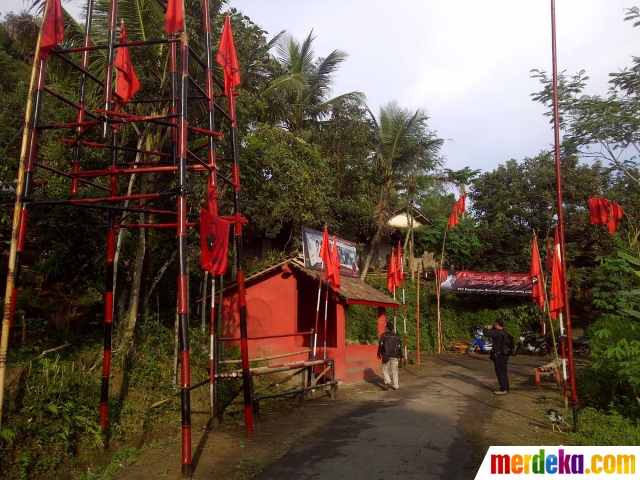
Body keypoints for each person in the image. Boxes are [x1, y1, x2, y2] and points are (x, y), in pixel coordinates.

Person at [483, 319, 510, 395]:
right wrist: (491, 327)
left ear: (497, 324)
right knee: (504, 372)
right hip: (505, 355)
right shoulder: (505, 332)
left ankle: (503, 389)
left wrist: (485, 328)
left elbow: (486, 333)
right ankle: (506, 388)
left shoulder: (497, 333)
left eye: (495, 324)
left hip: (499, 355)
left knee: (500, 372)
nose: (494, 326)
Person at [377, 321, 403, 390]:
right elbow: (399, 347)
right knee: (395, 370)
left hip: (386, 355)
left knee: (384, 369)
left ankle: (387, 381)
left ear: (386, 328)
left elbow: (381, 345)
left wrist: (379, 353)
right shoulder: (397, 337)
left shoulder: (384, 335)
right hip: (395, 355)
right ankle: (396, 385)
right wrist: (401, 356)